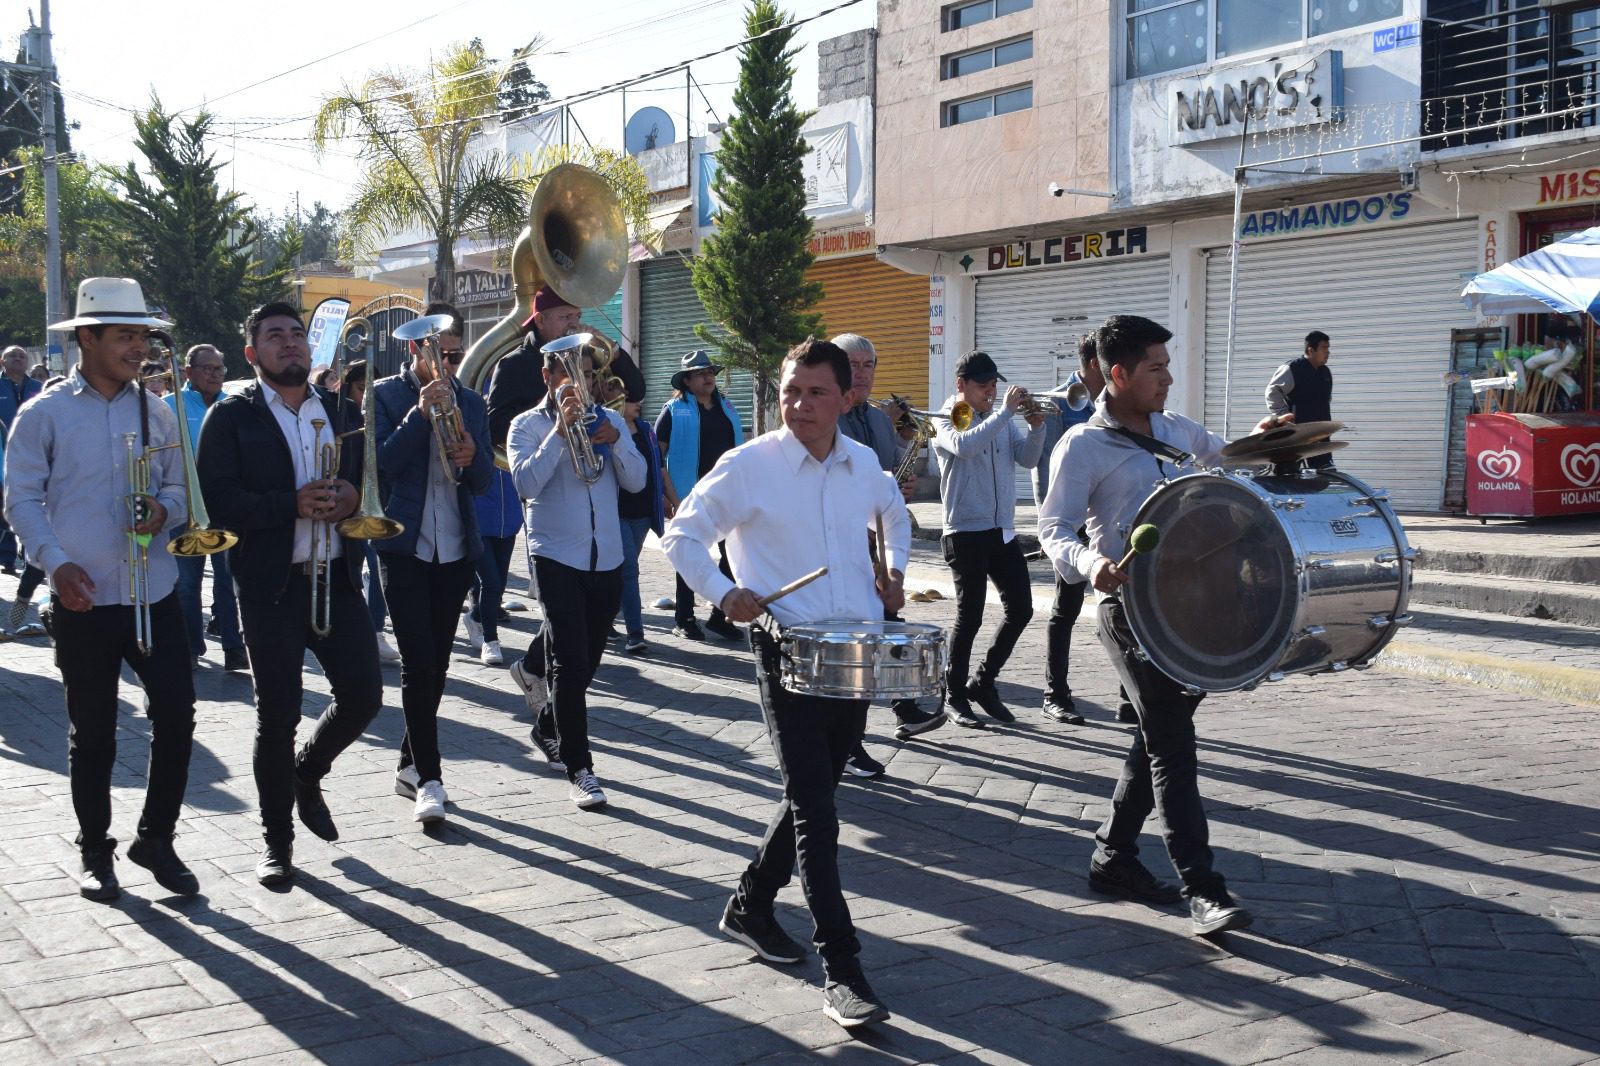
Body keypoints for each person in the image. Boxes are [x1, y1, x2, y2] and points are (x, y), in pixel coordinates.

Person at [660, 337, 909, 1030]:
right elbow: (681, 535)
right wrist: (722, 590)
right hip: (787, 651)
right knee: (817, 814)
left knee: (816, 792)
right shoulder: (750, 466)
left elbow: (897, 514)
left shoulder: (864, 464)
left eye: (815, 393)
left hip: (854, 654)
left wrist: (893, 574)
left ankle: (749, 904)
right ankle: (844, 970)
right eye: (790, 392)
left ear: (846, 398)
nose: (799, 406)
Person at [1039, 313, 1271, 938]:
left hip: (1190, 608)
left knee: (1156, 735)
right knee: (1172, 741)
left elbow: (1230, 461)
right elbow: (1052, 528)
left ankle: (1113, 856)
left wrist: (1267, 440)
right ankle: (1203, 887)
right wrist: (1092, 564)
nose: (1168, 378)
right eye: (1156, 369)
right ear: (1118, 374)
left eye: (1169, 367)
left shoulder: (1177, 429)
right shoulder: (1082, 446)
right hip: (1129, 612)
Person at [3, 277, 199, 900]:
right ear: (86, 338)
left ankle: (157, 839)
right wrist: (56, 564)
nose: (138, 347)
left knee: (178, 715)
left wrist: (164, 511)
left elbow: (177, 486)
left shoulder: (158, 409)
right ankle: (96, 850)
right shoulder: (45, 413)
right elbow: (21, 499)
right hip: (82, 598)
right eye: (124, 336)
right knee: (93, 731)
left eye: (142, 335)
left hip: (154, 589)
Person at [197, 301, 383, 887]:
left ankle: (309, 771)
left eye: (297, 335)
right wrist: (289, 505)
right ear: (253, 354)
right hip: (269, 587)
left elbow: (362, 480)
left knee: (364, 696)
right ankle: (277, 844)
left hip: (335, 575)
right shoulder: (231, 416)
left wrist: (351, 498)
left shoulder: (337, 409)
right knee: (276, 718)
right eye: (274, 337)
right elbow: (218, 502)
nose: (290, 344)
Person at [488, 286, 644, 717]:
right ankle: (562, 731)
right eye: (564, 318)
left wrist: (611, 352)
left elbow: (636, 388)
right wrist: (555, 423)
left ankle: (535, 669)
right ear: (539, 321)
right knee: (569, 634)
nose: (574, 324)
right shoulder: (516, 364)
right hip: (551, 505)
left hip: (600, 519)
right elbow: (497, 424)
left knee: (581, 628)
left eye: (577, 315)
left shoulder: (592, 359)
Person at [507, 335, 646, 809]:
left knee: (587, 660)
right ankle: (580, 767)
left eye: (587, 373)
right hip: (554, 553)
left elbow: (637, 479)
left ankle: (548, 725)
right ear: (548, 377)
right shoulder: (525, 425)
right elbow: (524, 482)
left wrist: (618, 442)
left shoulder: (608, 419)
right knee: (568, 660)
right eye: (570, 373)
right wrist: (559, 433)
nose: (582, 382)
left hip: (605, 554)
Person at [370, 302, 493, 825]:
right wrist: (419, 416)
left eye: (453, 355)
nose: (445, 365)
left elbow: (486, 481)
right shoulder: (384, 396)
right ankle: (431, 778)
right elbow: (379, 468)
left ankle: (407, 764)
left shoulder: (472, 402)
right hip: (405, 546)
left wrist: (472, 457)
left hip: (457, 547)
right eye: (437, 354)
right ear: (414, 350)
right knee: (419, 662)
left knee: (435, 665)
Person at [831, 333, 946, 777]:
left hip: (876, 546)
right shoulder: (828, 417)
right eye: (852, 365)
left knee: (886, 628)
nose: (861, 374)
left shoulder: (878, 420)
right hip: (841, 544)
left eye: (868, 365)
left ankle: (899, 708)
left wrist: (902, 485)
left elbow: (888, 471)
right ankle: (851, 740)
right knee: (855, 646)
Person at [930, 350, 1046, 728]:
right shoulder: (950, 415)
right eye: (983, 386)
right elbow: (966, 445)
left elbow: (1027, 459)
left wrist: (1037, 426)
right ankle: (954, 693)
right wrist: (1006, 414)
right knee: (970, 617)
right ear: (961, 385)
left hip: (1001, 529)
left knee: (1022, 609)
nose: (991, 393)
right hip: (964, 531)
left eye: (995, 386)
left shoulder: (1001, 419)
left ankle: (982, 681)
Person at [1031, 334, 1105, 727]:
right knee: (1066, 610)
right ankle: (1054, 694)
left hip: (1107, 520)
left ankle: (1132, 696)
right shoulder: (1059, 403)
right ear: (1095, 363)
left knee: (1122, 609)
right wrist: (1051, 528)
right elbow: (1043, 468)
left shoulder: (1115, 403)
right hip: (1072, 523)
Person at [166, 344, 248, 673]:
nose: (215, 374)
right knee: (187, 582)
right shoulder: (170, 405)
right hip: (186, 507)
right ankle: (190, 645)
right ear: (189, 372)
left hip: (224, 506)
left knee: (228, 580)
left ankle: (233, 646)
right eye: (207, 368)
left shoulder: (232, 405)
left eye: (219, 369)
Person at [656, 350, 744, 643]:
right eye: (701, 374)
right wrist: (666, 496)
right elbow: (657, 454)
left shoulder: (727, 407)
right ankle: (684, 618)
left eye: (711, 373)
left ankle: (720, 617)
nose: (709, 378)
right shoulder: (672, 410)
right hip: (688, 496)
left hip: (727, 495)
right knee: (689, 555)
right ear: (687, 381)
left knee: (732, 554)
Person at [341, 360, 400, 664]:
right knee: (349, 572)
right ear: (347, 388)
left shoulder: (382, 415)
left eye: (372, 390)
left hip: (377, 503)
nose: (367, 396)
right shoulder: (341, 416)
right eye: (362, 389)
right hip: (346, 506)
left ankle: (375, 630)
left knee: (379, 570)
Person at [615, 382, 664, 655]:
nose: (638, 404)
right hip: (617, 512)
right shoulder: (609, 431)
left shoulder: (646, 430)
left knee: (620, 572)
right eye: (632, 399)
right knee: (629, 571)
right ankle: (635, 633)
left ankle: (606, 617)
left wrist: (672, 501)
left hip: (643, 513)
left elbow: (658, 467)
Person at [0, 343, 45, 575]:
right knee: (3, 508)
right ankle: (6, 557)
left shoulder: (39, 387)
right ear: (2, 362)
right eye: (12, 356)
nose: (17, 359)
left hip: (33, 459)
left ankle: (31, 557)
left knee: (31, 507)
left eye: (21, 356)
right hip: (2, 459)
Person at [1264, 331, 1333, 467]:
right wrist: (1283, 417)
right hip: (1295, 435)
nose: (1328, 352)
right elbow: (1272, 392)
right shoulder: (1292, 368)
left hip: (1319, 435)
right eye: (1324, 348)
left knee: (1324, 475)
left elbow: (1326, 399)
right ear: (1311, 350)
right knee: (1289, 476)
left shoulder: (1325, 373)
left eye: (1328, 348)